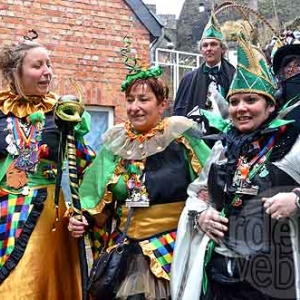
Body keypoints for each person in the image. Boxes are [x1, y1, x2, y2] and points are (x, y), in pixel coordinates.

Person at [171, 30, 300, 300]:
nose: (241, 108)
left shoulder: (293, 144)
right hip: (220, 274)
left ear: (270, 107)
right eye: (234, 101)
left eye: (251, 100)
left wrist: (296, 199)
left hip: (274, 278)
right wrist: (202, 215)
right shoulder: (222, 148)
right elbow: (196, 196)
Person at [69, 61, 211, 299]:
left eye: (143, 99)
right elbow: (92, 195)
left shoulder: (182, 138)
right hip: (126, 249)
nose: (135, 107)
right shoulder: (116, 143)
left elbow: (212, 182)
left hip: (174, 248)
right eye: (130, 100)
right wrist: (80, 218)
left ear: (162, 104)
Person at [0, 30, 94, 299]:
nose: (47, 72)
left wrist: (83, 211)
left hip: (47, 215)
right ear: (16, 72)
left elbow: (86, 167)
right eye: (37, 65)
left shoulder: (63, 113)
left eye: (49, 64)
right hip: (4, 210)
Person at [173, 12, 235, 118]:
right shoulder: (187, 80)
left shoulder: (235, 76)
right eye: (205, 45)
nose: (209, 48)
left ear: (223, 49)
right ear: (201, 51)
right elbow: (178, 115)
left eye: (213, 44)